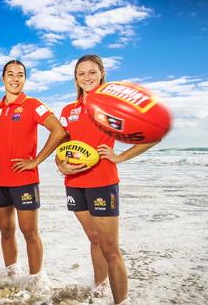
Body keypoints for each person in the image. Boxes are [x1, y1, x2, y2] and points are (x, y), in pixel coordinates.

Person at [55, 54, 158, 305]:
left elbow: (152, 134)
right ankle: (99, 289)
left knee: (110, 248)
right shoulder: (69, 111)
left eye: (92, 72)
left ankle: (121, 301)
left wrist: (120, 156)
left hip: (103, 181)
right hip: (74, 185)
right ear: (75, 78)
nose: (86, 77)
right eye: (81, 73)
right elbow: (62, 148)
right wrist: (62, 166)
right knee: (93, 239)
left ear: (102, 73)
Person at [0, 60, 66, 277]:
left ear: (25, 79)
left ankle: (36, 282)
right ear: (3, 78)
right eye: (10, 75)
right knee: (6, 231)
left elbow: (59, 131)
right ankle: (12, 276)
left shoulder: (33, 105)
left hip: (25, 180)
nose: (15, 79)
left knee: (30, 233)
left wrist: (36, 161)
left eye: (20, 75)